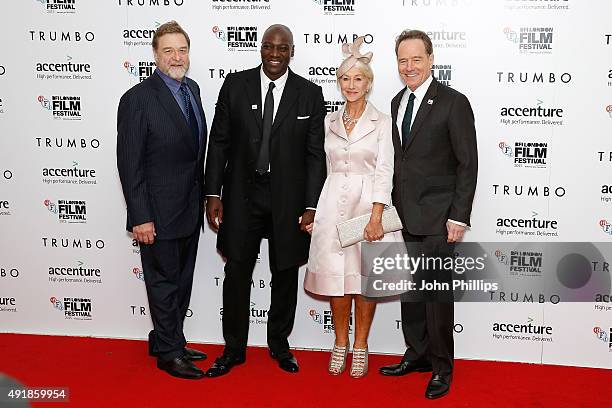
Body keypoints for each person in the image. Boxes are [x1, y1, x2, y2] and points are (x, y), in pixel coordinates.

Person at [204, 24, 326, 377]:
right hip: (242, 195)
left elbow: (314, 155)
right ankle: (233, 349)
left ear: (292, 51)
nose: (275, 54)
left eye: (282, 48)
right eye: (269, 47)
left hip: (288, 200)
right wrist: (213, 193)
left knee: (285, 272)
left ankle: (279, 345)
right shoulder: (235, 86)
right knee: (237, 271)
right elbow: (219, 143)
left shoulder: (309, 94)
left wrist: (311, 204)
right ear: (260, 49)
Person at [378, 29, 478, 399]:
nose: (409, 67)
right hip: (404, 216)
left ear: (431, 59)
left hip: (439, 217)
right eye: (403, 60)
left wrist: (458, 215)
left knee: (436, 298)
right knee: (412, 293)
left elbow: (468, 164)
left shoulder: (453, 102)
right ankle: (417, 354)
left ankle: (441, 367)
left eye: (416, 59)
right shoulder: (394, 102)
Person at [303, 37, 401, 378]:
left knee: (366, 280)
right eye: (345, 79)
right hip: (333, 205)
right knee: (335, 279)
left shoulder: (383, 122)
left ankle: (361, 345)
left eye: (358, 79)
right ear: (339, 82)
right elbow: (319, 167)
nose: (351, 85)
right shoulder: (329, 121)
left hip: (367, 206)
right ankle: (340, 342)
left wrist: (377, 215)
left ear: (369, 83)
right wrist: (313, 210)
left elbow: (386, 169)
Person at [116, 21, 207, 380]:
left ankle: (168, 339)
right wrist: (140, 217)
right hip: (156, 213)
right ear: (155, 55)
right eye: (168, 50)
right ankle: (169, 354)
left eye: (182, 49)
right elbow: (129, 163)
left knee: (181, 281)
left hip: (189, 207)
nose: (176, 57)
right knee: (163, 282)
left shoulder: (193, 89)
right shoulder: (137, 99)